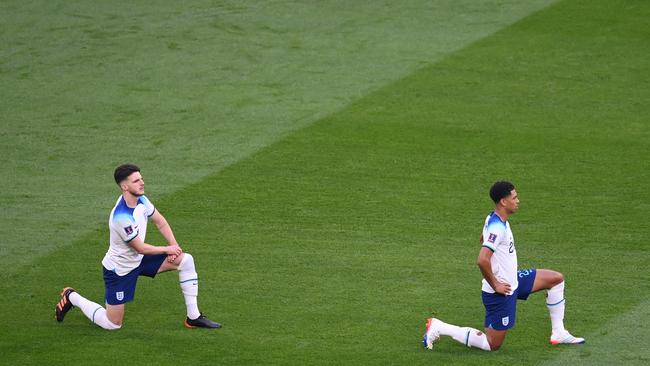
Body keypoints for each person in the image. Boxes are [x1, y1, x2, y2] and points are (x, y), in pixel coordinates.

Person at [55, 163, 221, 330]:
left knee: (185, 260)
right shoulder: (121, 217)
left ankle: (193, 317)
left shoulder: (142, 200)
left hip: (140, 260)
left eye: (141, 179)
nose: (142, 183)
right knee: (112, 324)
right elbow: (139, 248)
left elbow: (160, 222)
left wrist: (174, 246)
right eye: (136, 181)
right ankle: (72, 297)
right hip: (120, 270)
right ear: (124, 186)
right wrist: (166, 249)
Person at [422, 181, 584, 351]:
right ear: (503, 202)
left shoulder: (494, 219)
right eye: (514, 197)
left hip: (513, 281)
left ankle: (558, 332)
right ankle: (439, 327)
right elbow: (482, 260)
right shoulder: (497, 227)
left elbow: (483, 239)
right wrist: (496, 284)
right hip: (501, 292)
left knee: (555, 279)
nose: (518, 200)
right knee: (492, 344)